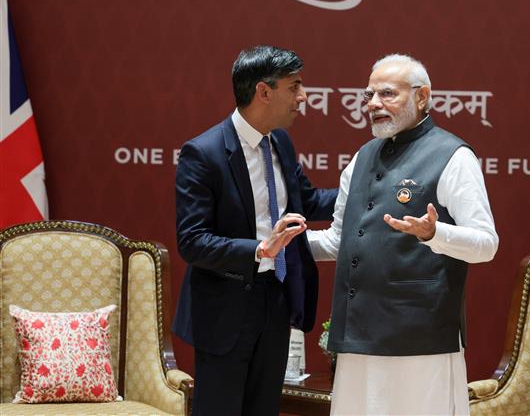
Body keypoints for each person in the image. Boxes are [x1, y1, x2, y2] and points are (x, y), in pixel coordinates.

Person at [308, 53, 499, 415]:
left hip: (421, 339)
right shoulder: (361, 158)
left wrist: (434, 233)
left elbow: (486, 244)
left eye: (387, 94)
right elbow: (337, 240)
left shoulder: (454, 156)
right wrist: (283, 246)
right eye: (368, 95)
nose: (373, 104)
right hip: (357, 337)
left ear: (422, 97)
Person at [172, 45, 337, 416]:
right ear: (264, 92)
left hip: (275, 301)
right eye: (294, 86)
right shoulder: (204, 153)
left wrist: (364, 192)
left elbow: (307, 201)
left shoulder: (279, 141)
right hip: (226, 309)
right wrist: (260, 249)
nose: (303, 96)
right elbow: (192, 241)